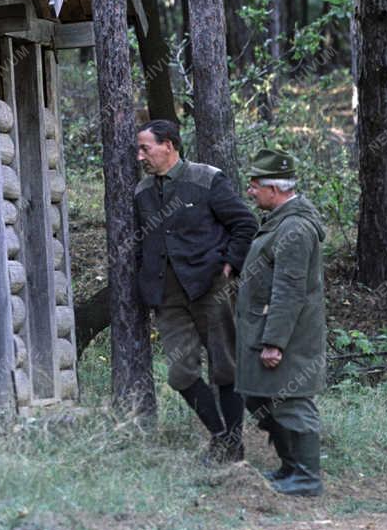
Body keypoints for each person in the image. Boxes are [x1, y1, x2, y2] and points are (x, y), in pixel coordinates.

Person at [135, 120, 257, 462]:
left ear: (170, 145)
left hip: (211, 290)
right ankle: (220, 435)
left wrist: (230, 264)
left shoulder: (206, 179)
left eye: (146, 148)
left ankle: (232, 445)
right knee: (180, 373)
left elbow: (245, 224)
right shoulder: (142, 192)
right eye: (139, 149)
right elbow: (141, 243)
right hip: (168, 298)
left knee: (225, 368)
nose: (140, 155)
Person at [237, 148, 327, 497]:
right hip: (270, 328)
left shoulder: (295, 229)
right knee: (260, 397)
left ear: (274, 190)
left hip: (288, 335)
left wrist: (275, 342)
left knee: (293, 404)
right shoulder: (280, 221)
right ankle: (291, 468)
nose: (250, 191)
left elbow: (289, 290)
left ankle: (306, 478)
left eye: (255, 185)